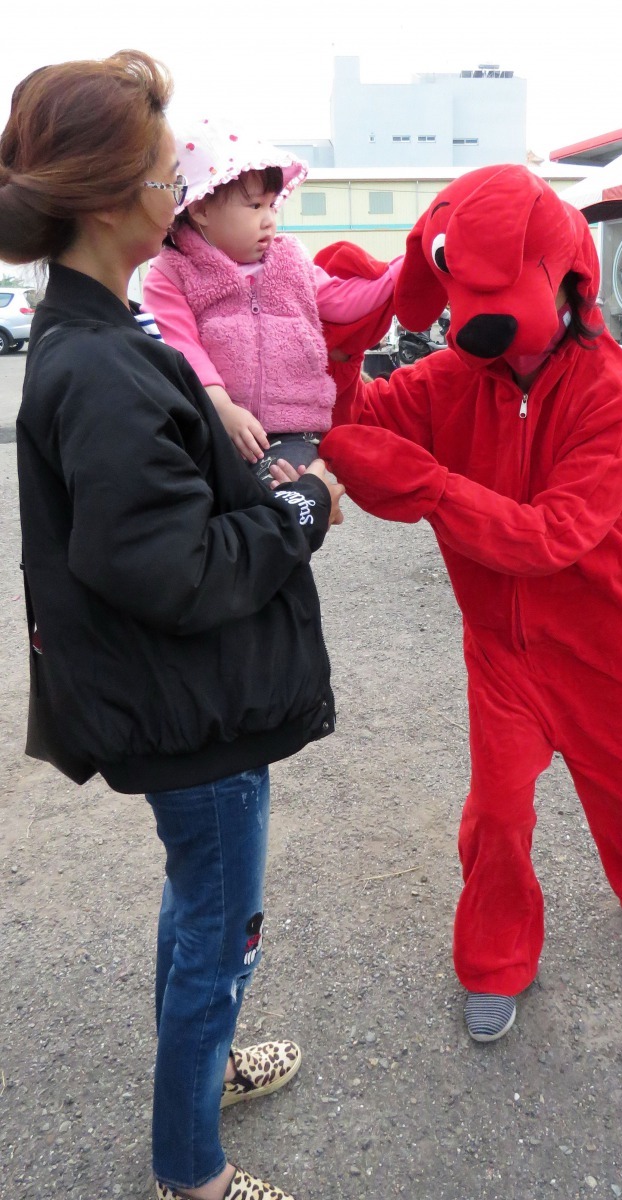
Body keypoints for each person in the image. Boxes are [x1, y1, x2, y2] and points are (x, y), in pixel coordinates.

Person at [1, 51, 345, 1200]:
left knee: (198, 908)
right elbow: (171, 567)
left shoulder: (101, 334)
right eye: (161, 172)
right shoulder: (98, 364)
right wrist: (299, 510)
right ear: (109, 200)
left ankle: (199, 1068)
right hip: (190, 709)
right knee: (219, 927)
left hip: (181, 698)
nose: (179, 187)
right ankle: (189, 1169)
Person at [310, 165, 622, 1044]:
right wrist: (343, 333)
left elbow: (552, 534)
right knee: (496, 816)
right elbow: (353, 415)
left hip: (609, 642)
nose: (470, 317)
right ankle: (494, 961)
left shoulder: (609, 390)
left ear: (565, 279)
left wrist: (428, 488)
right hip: (503, 653)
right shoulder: (452, 377)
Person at [142, 119, 399, 486]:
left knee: (289, 499)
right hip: (211, 424)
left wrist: (398, 274)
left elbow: (340, 300)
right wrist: (222, 407)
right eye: (254, 206)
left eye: (272, 207)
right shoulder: (174, 272)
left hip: (292, 430)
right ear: (200, 208)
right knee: (217, 508)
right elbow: (182, 348)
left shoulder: (290, 260)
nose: (269, 221)